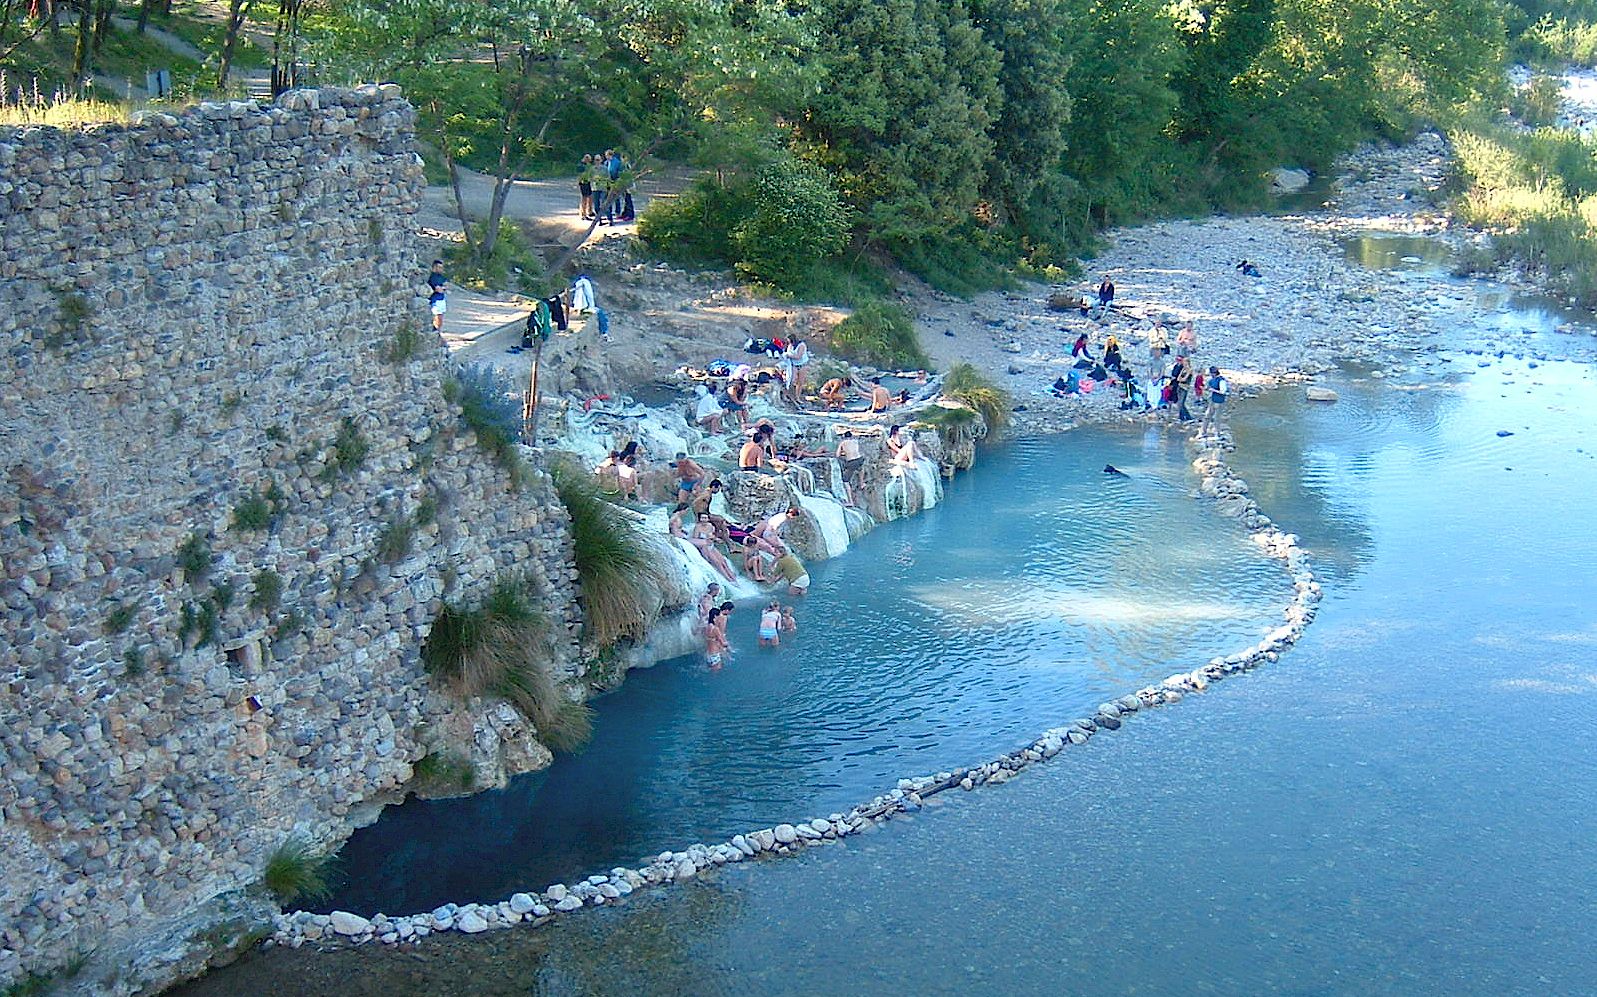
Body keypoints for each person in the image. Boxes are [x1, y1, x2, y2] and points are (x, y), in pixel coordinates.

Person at [690, 510, 737, 581]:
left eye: (705, 518)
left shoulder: (710, 526)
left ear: (708, 519)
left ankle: (732, 576)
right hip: (704, 547)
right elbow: (695, 539)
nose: (704, 520)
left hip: (711, 545)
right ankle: (727, 578)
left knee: (723, 561)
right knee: (717, 562)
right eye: (702, 518)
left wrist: (716, 539)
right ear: (699, 519)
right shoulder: (697, 527)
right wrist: (707, 539)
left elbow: (712, 536)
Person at [1199, 365, 1229, 437]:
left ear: (1214, 373)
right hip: (1212, 400)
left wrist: (1213, 390)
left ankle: (1217, 433)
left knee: (1217, 418)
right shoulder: (1212, 380)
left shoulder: (1221, 380)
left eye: (1211, 373)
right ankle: (1203, 431)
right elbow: (1207, 387)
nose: (1210, 375)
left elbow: (1223, 391)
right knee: (1207, 416)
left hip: (1219, 401)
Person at [836, 430, 865, 505]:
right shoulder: (855, 441)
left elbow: (837, 455)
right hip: (860, 459)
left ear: (844, 437)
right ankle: (862, 483)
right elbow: (855, 451)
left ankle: (850, 502)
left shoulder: (842, 443)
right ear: (851, 436)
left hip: (851, 462)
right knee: (861, 468)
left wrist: (843, 453)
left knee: (845, 481)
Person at [782, 335, 810, 403]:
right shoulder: (790, 346)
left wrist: (788, 355)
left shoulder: (801, 345)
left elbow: (798, 356)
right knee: (791, 380)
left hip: (802, 365)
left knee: (800, 382)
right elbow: (789, 353)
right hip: (794, 365)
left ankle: (797, 397)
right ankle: (785, 394)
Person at [1171, 355, 1194, 422]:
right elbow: (1178, 378)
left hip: (1185, 387)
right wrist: (1180, 379)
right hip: (1180, 386)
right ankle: (1181, 417)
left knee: (1181, 403)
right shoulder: (1183, 369)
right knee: (1179, 403)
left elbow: (1184, 379)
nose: (1183, 363)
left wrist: (1181, 379)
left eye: (1184, 361)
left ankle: (1188, 417)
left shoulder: (1190, 370)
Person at [426, 259, 447, 331]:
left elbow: (446, 286)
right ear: (435, 267)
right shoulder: (433, 277)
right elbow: (439, 289)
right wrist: (442, 288)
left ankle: (438, 333)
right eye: (439, 267)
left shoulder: (441, 277)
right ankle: (436, 333)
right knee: (437, 318)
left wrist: (442, 288)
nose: (441, 269)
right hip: (435, 300)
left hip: (441, 299)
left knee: (440, 319)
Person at [578, 154, 595, 220]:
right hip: (583, 183)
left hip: (589, 182)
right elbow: (579, 175)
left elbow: (591, 173)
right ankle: (583, 214)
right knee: (584, 198)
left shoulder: (589, 165)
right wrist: (580, 182)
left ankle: (590, 211)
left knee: (590, 197)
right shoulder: (581, 165)